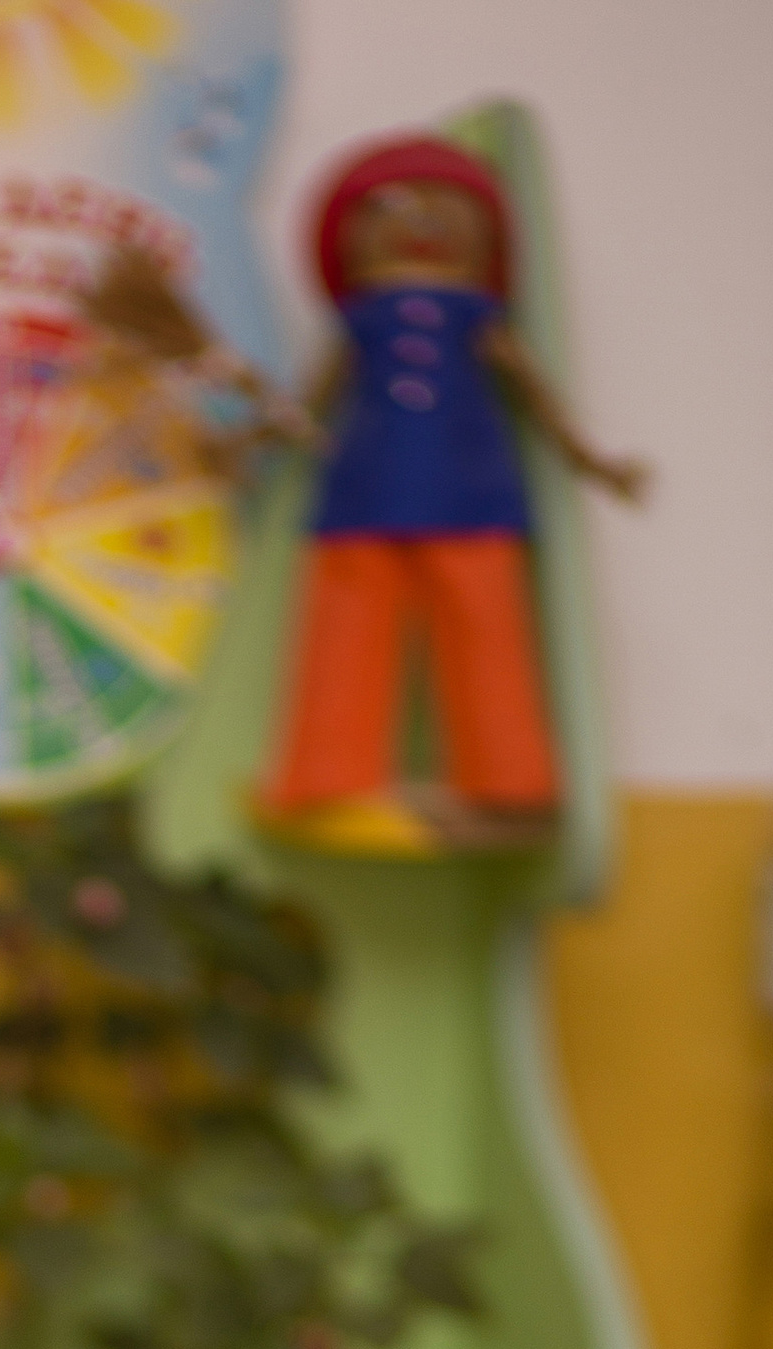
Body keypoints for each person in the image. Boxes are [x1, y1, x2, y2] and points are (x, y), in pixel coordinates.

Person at [256, 133, 646, 849]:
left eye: (447, 207)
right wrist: (255, 437)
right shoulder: (361, 322)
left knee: (487, 636)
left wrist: (590, 459)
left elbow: (534, 393)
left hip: (472, 498)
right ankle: (324, 780)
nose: (422, 223)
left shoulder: (477, 319)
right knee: (345, 635)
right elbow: (308, 403)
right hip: (362, 497)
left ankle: (509, 787)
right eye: (391, 207)